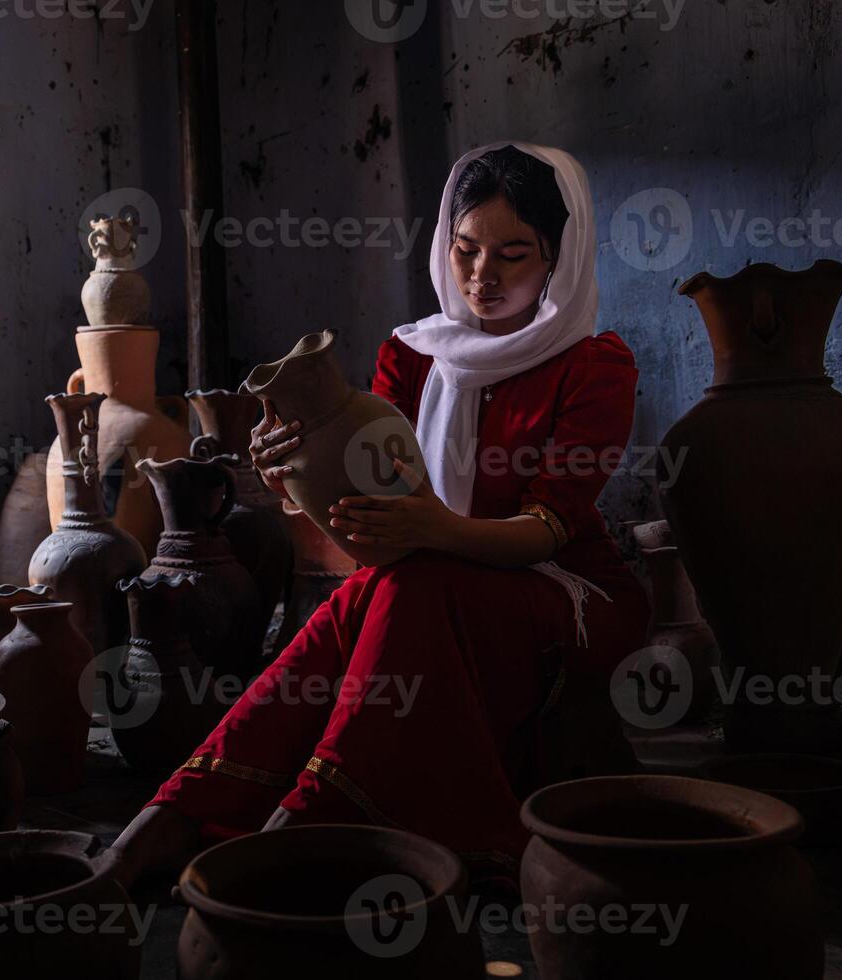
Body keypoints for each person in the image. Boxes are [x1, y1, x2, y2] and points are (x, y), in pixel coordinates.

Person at [103, 142, 651, 889]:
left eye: (513, 255)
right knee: (383, 592)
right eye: (465, 250)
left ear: (559, 257)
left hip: (567, 585)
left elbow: (550, 527)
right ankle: (178, 820)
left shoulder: (594, 365)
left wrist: (431, 531)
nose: (481, 275)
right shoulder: (414, 356)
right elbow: (371, 523)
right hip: (432, 580)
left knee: (405, 590)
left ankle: (297, 825)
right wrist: (291, 476)